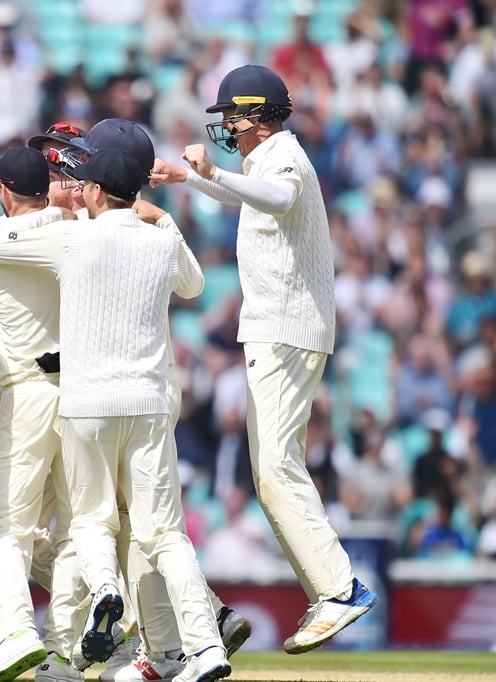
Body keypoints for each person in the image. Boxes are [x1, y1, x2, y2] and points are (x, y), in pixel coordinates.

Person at [149, 63, 379, 654]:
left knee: (276, 471)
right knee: (271, 471)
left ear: (257, 115)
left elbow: (278, 198)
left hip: (285, 330)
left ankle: (340, 588)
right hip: (279, 330)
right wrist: (195, 180)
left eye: (232, 115)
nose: (226, 124)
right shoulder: (267, 158)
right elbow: (256, 192)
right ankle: (333, 588)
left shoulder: (284, 158)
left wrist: (211, 172)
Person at [0, 149, 231, 682]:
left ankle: (107, 591)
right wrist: (161, 216)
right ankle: (207, 648)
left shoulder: (73, 238)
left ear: (93, 190)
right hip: (146, 403)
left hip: (86, 405)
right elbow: (193, 286)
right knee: (165, 533)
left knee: (91, 522)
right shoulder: (162, 238)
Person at [0, 147, 87, 682]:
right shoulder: (76, 233)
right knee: (77, 531)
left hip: (29, 394)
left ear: (5, 191)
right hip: (82, 395)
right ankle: (62, 653)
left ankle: (16, 631)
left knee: (6, 531)